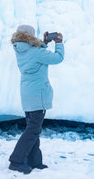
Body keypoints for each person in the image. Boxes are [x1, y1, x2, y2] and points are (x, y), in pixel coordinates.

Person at [8, 24, 64, 174]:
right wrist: (58, 43)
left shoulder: (20, 49)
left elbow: (37, 53)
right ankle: (16, 160)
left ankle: (34, 161)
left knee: (32, 128)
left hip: (27, 95)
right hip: (38, 95)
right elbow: (58, 58)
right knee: (33, 130)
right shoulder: (35, 52)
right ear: (31, 36)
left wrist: (44, 43)